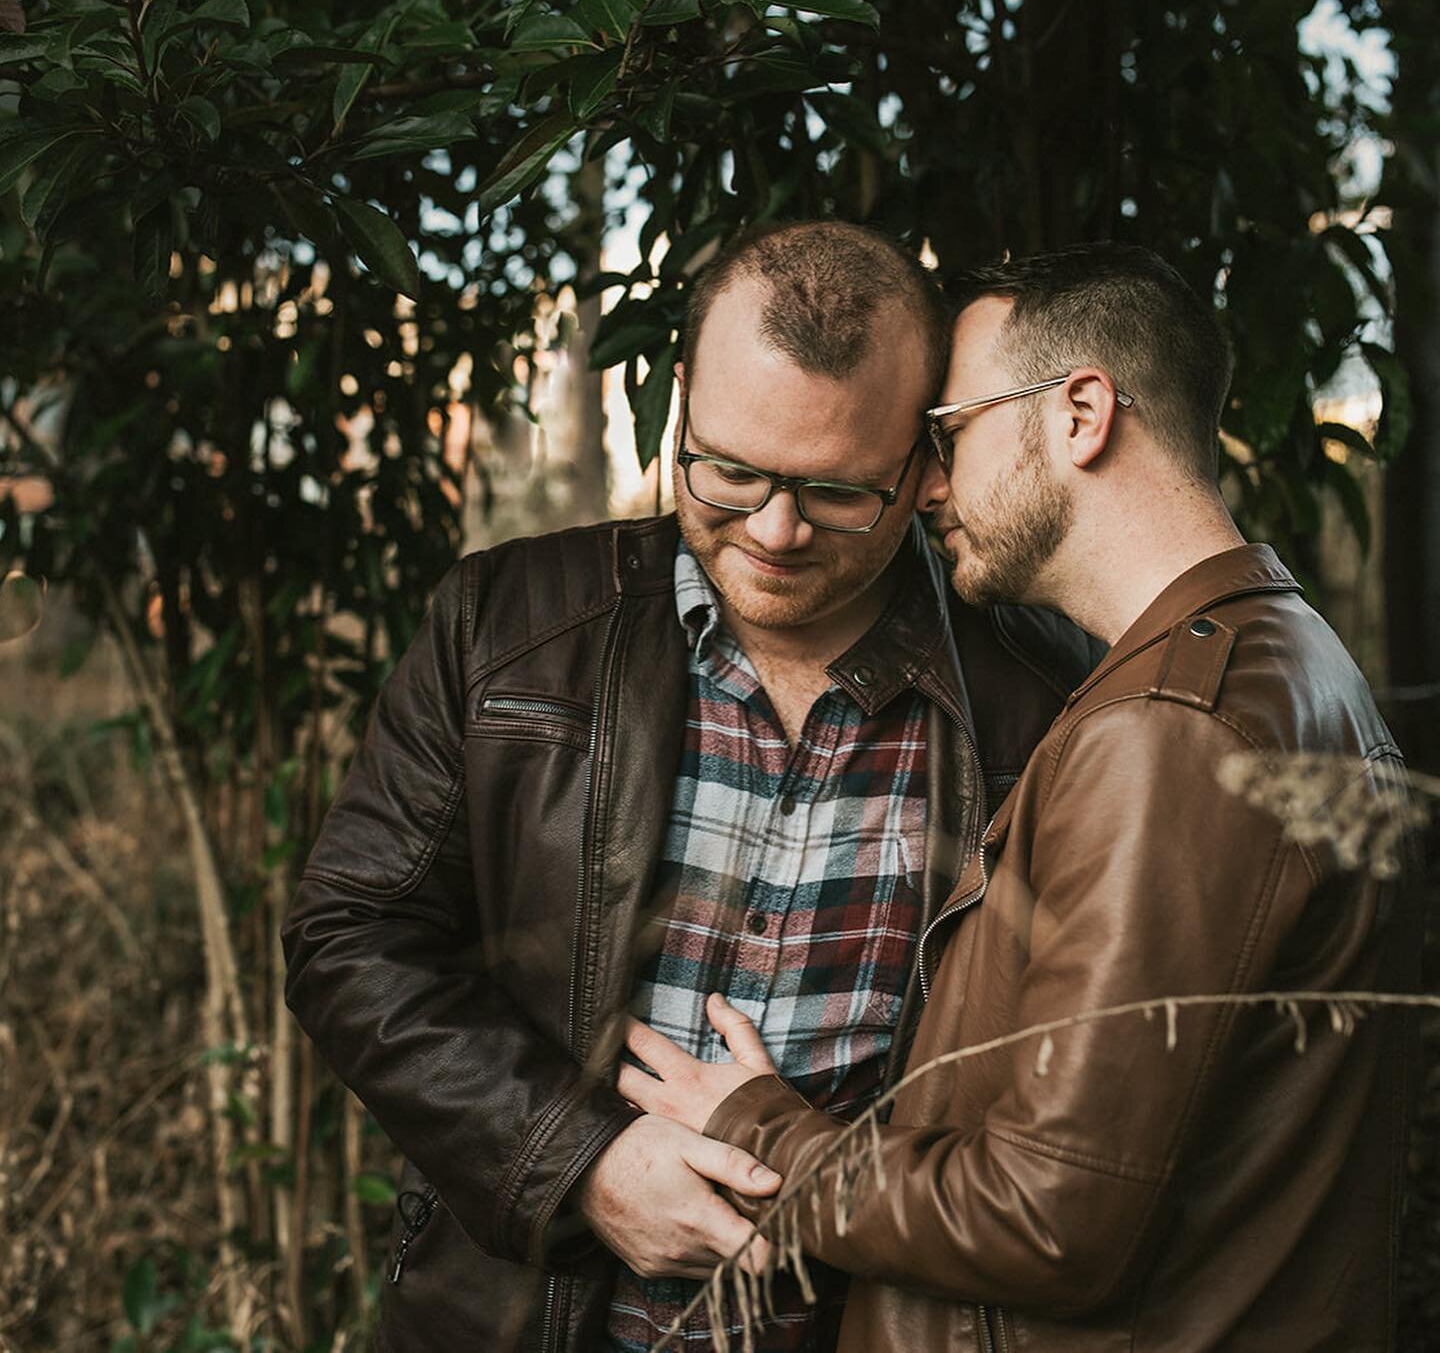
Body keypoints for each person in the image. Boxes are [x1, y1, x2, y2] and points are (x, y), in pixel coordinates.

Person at [282, 221, 1096, 1351]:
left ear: (921, 468)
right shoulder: (507, 627)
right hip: (516, 1318)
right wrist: (584, 1160)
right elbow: (349, 933)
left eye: (835, 491)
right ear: (677, 407)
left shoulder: (1047, 701)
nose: (773, 530)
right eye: (730, 471)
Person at [624, 243, 1421, 1352]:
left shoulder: (1171, 728)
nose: (932, 484)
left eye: (951, 432)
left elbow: (1052, 1218)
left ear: (1082, 412)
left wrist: (761, 1126)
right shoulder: (1281, 659)